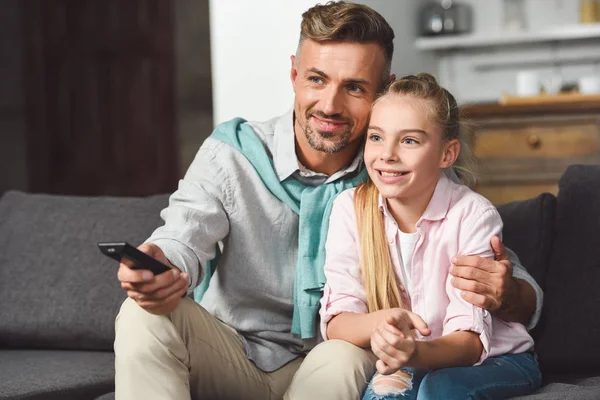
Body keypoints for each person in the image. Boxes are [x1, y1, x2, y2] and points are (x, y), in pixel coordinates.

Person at [114, 2, 542, 399]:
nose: (330, 105)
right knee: (140, 316)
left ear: (383, 91)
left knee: (341, 354)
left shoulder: (397, 169)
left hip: (339, 360)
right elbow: (183, 234)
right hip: (233, 352)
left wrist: (505, 292)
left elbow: (497, 273)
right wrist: (161, 263)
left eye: (355, 87)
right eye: (317, 79)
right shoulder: (233, 153)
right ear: (295, 74)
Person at [319, 73, 542, 400]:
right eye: (377, 137)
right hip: (411, 358)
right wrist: (381, 326)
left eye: (409, 141)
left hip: (497, 360)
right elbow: (337, 321)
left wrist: (412, 353)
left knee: (438, 392)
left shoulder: (472, 215)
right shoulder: (349, 208)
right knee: (384, 393)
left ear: (447, 154)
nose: (388, 154)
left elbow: (470, 343)